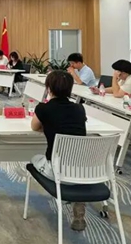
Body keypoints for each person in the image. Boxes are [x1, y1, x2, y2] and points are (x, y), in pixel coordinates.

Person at [30, 71, 88, 231]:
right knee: (73, 163)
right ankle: (79, 205)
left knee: (34, 159)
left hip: (56, 171)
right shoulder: (79, 108)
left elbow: (34, 127)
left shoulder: (43, 108)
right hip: (83, 172)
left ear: (48, 88)